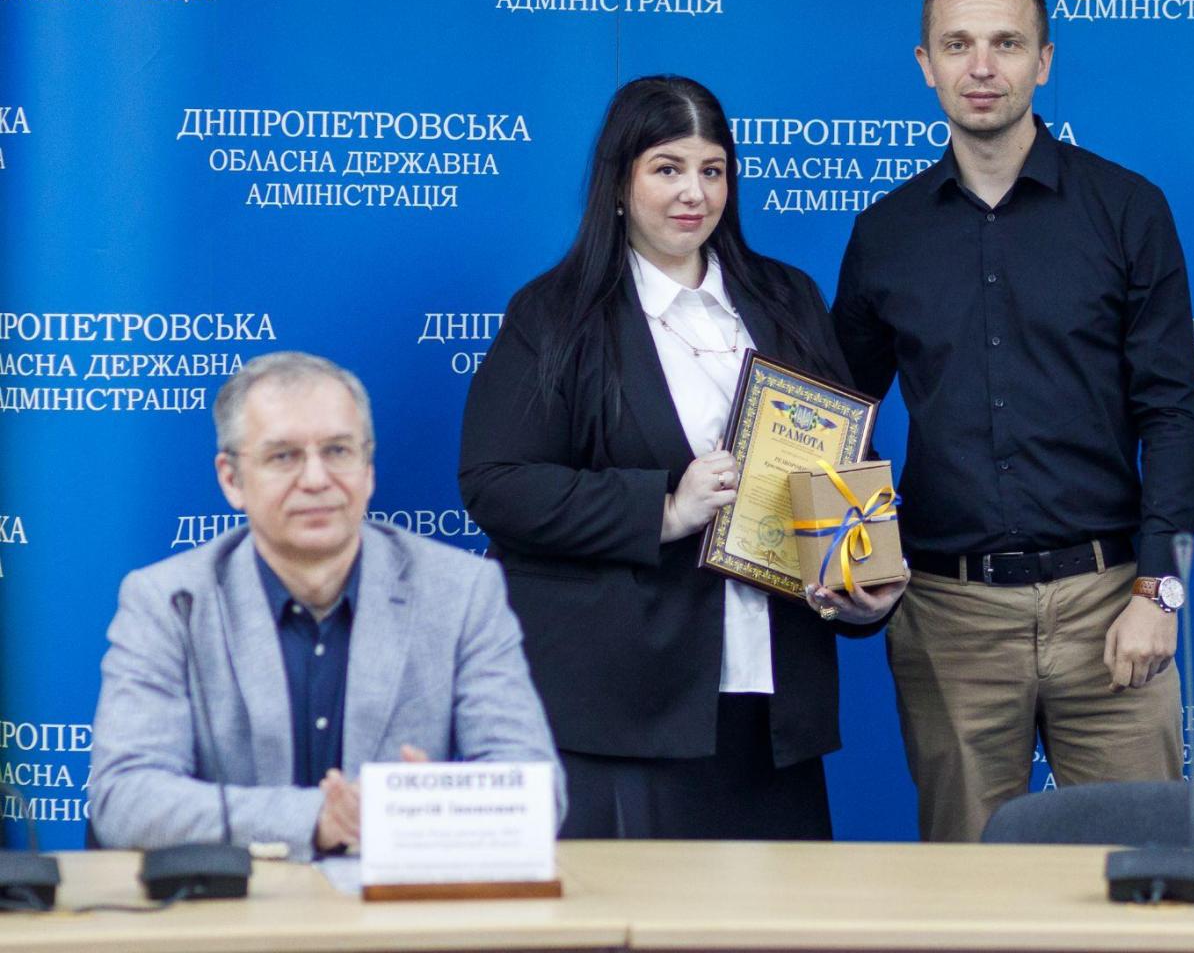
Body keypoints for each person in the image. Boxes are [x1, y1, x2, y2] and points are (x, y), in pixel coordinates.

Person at [459, 74, 905, 840]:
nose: (693, 193)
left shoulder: (788, 297)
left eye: (712, 170)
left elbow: (845, 462)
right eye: (667, 168)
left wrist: (862, 583)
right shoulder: (556, 313)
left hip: (774, 707)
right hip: (624, 709)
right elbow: (497, 483)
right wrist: (664, 511)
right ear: (620, 183)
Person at [832, 0, 1194, 841]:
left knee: (1141, 875)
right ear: (925, 64)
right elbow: (837, 418)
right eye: (957, 45)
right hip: (949, 618)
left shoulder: (1128, 210)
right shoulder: (886, 234)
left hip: (1111, 601)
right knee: (968, 889)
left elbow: (1171, 413)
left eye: (1005, 43)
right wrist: (849, 563)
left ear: (1044, 61)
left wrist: (1160, 592)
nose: (981, 67)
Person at [89, 352, 563, 859]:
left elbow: (539, 792)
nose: (316, 479)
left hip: (399, 904)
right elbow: (125, 798)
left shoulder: (461, 592)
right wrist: (315, 818)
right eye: (283, 457)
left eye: (338, 451)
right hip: (234, 902)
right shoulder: (169, 602)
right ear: (232, 479)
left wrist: (427, 809)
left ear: (368, 469)